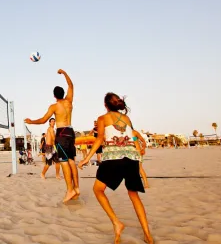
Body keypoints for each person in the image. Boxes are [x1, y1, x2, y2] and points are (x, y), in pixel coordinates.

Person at [78, 93, 153, 244]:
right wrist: (138, 150)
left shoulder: (102, 118)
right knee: (134, 195)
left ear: (106, 105)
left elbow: (99, 139)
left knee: (98, 190)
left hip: (113, 157)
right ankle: (147, 235)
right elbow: (132, 136)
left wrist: (86, 158)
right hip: (131, 158)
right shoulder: (127, 119)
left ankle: (116, 223)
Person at [25, 69, 79, 203]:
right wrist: (64, 73)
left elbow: (43, 120)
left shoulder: (54, 106)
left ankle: (70, 190)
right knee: (71, 161)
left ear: (55, 96)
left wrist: (31, 121)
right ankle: (76, 188)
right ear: (63, 94)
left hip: (61, 132)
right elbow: (71, 86)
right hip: (71, 132)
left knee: (64, 163)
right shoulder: (69, 102)